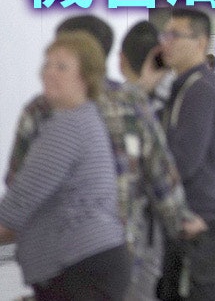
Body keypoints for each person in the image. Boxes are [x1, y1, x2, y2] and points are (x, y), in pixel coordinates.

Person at [8, 16, 202, 301]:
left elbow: (18, 183)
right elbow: (160, 174)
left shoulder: (40, 110)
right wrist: (182, 223)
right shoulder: (131, 102)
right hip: (125, 249)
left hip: (60, 256)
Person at [0, 32, 131, 298]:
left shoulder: (68, 126)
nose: (49, 73)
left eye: (61, 67)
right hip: (88, 265)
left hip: (81, 268)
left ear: (87, 77)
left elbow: (20, 202)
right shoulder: (83, 118)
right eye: (47, 64)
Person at [154, 8, 215, 301]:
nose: (166, 42)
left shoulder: (200, 89)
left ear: (200, 42)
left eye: (175, 35)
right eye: (165, 34)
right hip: (188, 212)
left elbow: (185, 160)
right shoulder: (184, 85)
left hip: (194, 216)